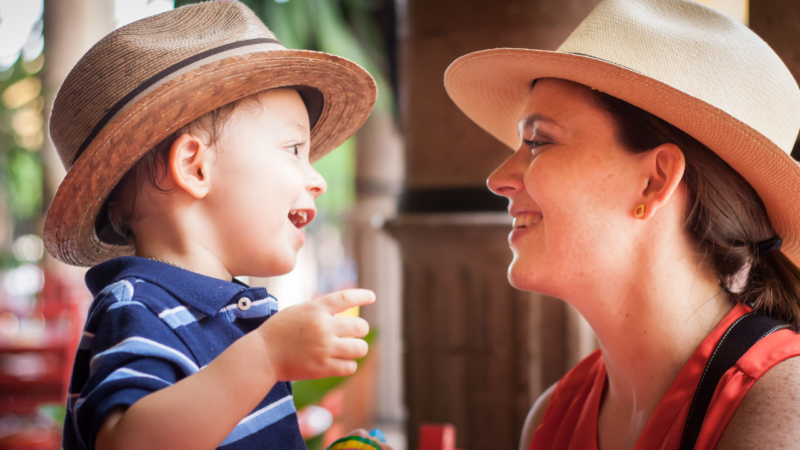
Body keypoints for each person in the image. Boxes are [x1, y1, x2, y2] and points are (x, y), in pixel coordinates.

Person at [444, 0, 800, 448]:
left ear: (654, 181)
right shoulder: (550, 414)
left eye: (538, 141)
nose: (497, 180)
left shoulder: (781, 408)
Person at [45, 3, 379, 449]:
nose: (317, 179)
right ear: (195, 168)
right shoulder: (139, 307)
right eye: (294, 148)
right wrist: (265, 355)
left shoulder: (231, 316)